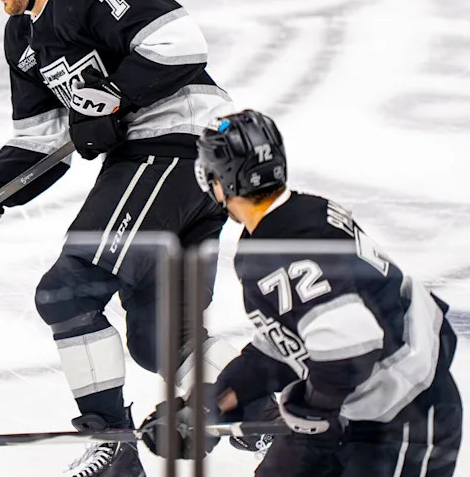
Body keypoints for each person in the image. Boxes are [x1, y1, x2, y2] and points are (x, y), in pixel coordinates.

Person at [0, 0, 237, 477]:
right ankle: (263, 403)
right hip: (169, 164)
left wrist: (114, 103)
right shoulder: (23, 37)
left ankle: (112, 445)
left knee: (67, 291)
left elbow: (180, 45)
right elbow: (39, 145)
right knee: (160, 336)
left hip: (175, 147)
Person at [153, 109, 462, 476]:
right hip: (359, 405)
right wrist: (213, 404)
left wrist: (312, 413)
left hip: (403, 416)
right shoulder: (303, 214)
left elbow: (352, 346)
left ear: (220, 183)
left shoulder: (276, 250)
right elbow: (287, 344)